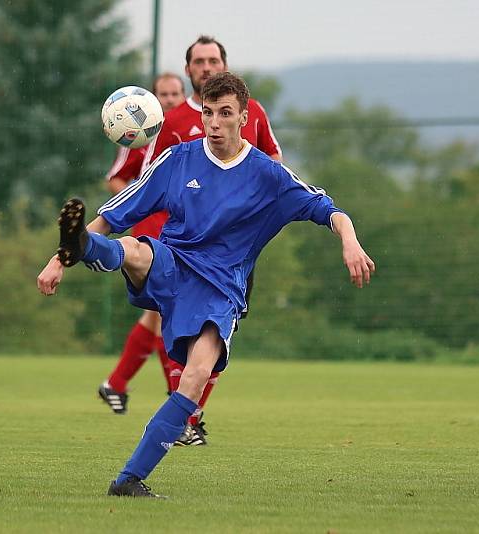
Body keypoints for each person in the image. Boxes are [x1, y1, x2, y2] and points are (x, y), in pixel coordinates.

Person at [37, 72, 375, 498]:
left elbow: (330, 209)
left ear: (243, 117)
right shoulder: (178, 160)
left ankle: (129, 480)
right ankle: (85, 249)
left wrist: (350, 242)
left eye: (225, 114)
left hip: (220, 290)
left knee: (194, 381)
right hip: (173, 263)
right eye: (209, 113)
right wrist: (60, 256)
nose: (214, 123)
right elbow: (116, 211)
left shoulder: (268, 175)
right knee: (137, 249)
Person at [134, 35, 283, 445]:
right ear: (188, 71)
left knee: (219, 331)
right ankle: (181, 410)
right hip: (183, 249)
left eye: (213, 60)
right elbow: (150, 179)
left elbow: (273, 160)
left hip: (233, 252)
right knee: (174, 321)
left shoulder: (253, 114)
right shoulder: (175, 122)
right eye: (198, 61)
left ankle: (186, 410)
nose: (206, 67)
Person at [97, 72, 186, 416]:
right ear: (152, 99)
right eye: (162, 93)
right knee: (163, 312)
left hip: (180, 232)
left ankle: (116, 384)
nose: (169, 99)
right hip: (152, 233)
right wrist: (143, 200)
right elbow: (116, 178)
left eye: (175, 93)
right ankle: (179, 402)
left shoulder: (190, 135)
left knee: (157, 316)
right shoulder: (143, 135)